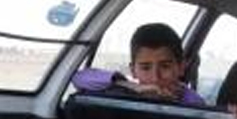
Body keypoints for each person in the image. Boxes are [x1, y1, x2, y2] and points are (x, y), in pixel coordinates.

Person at [72, 22, 206, 105]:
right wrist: (131, 87)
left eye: (165, 66)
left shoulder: (194, 104)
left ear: (181, 67)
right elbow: (79, 78)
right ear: (133, 70)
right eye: (145, 68)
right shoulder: (128, 92)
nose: (155, 77)